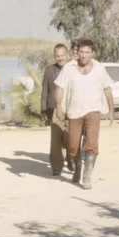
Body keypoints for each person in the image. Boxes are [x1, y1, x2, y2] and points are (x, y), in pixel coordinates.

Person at [53, 39, 113, 189]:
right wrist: (58, 105)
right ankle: (77, 167)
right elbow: (59, 87)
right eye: (81, 52)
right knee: (73, 145)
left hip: (93, 110)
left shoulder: (99, 68)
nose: (84, 55)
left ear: (92, 53)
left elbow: (107, 88)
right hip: (74, 112)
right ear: (77, 52)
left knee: (91, 143)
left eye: (87, 52)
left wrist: (111, 109)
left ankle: (87, 176)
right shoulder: (69, 68)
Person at [41, 43, 76, 177]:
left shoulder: (74, 69)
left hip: (71, 109)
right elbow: (45, 91)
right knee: (55, 140)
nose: (60, 58)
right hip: (54, 109)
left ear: (67, 55)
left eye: (62, 55)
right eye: (57, 56)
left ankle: (71, 159)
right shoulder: (49, 70)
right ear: (54, 56)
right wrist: (43, 109)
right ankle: (56, 166)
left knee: (71, 137)